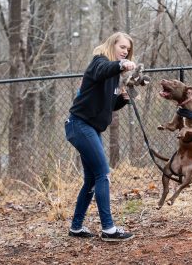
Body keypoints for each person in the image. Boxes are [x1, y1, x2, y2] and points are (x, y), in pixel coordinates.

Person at [64, 32, 136, 241]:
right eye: (122, 47)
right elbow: (105, 69)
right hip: (79, 125)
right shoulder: (100, 62)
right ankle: (108, 229)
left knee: (91, 180)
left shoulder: (112, 76)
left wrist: (123, 99)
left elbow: (107, 106)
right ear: (112, 44)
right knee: (103, 174)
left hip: (91, 128)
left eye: (128, 50)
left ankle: (76, 227)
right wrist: (122, 65)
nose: (125, 51)